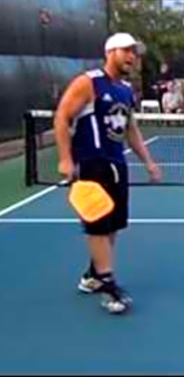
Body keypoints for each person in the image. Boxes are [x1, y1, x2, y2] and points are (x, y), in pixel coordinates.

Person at [53, 32, 162, 315]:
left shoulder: (126, 90)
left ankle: (92, 275)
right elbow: (62, 116)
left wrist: (148, 162)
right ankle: (107, 283)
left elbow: (131, 129)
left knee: (112, 225)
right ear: (110, 52)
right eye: (127, 51)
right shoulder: (88, 82)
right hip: (92, 165)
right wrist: (65, 159)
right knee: (98, 225)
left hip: (117, 165)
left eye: (135, 53)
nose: (132, 57)